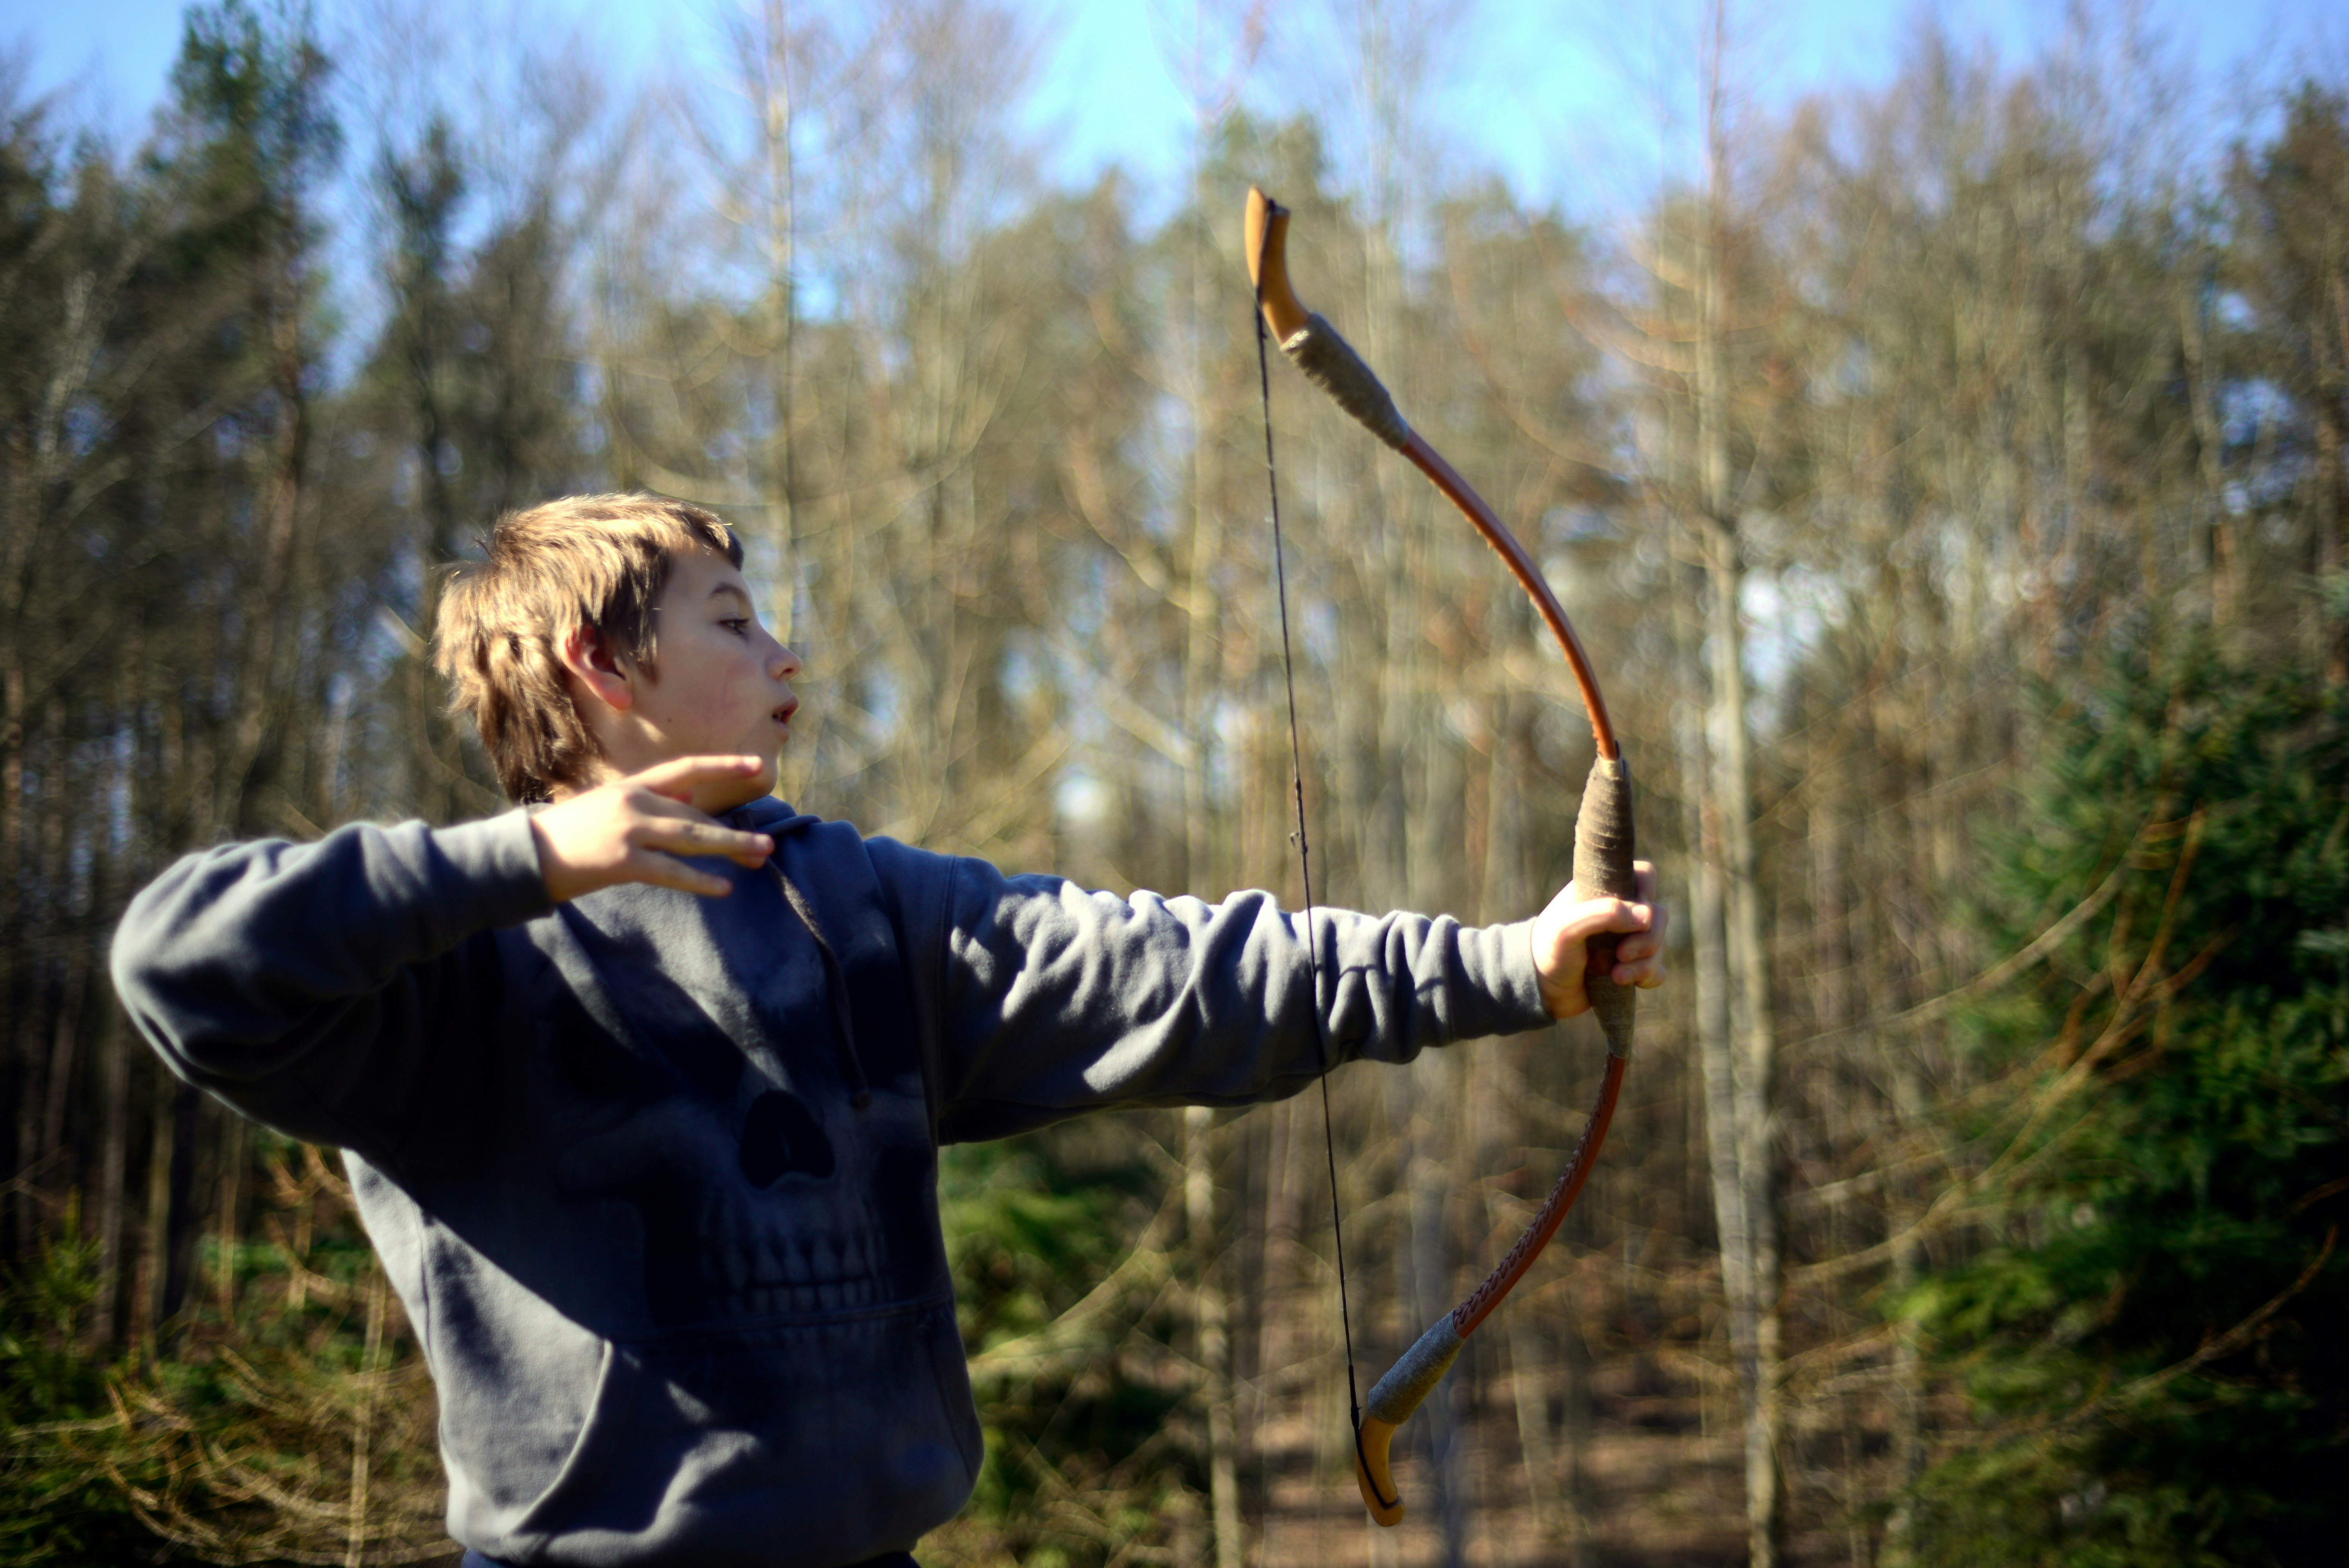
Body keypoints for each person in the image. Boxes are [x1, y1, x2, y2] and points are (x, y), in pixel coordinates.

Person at [112, 494, 1665, 1568]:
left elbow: (1165, 970)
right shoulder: (449, 958)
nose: (784, 652)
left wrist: (1511, 965)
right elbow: (177, 961)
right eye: (732, 617)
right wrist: (531, 859)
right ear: (604, 665)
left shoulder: (857, 905)